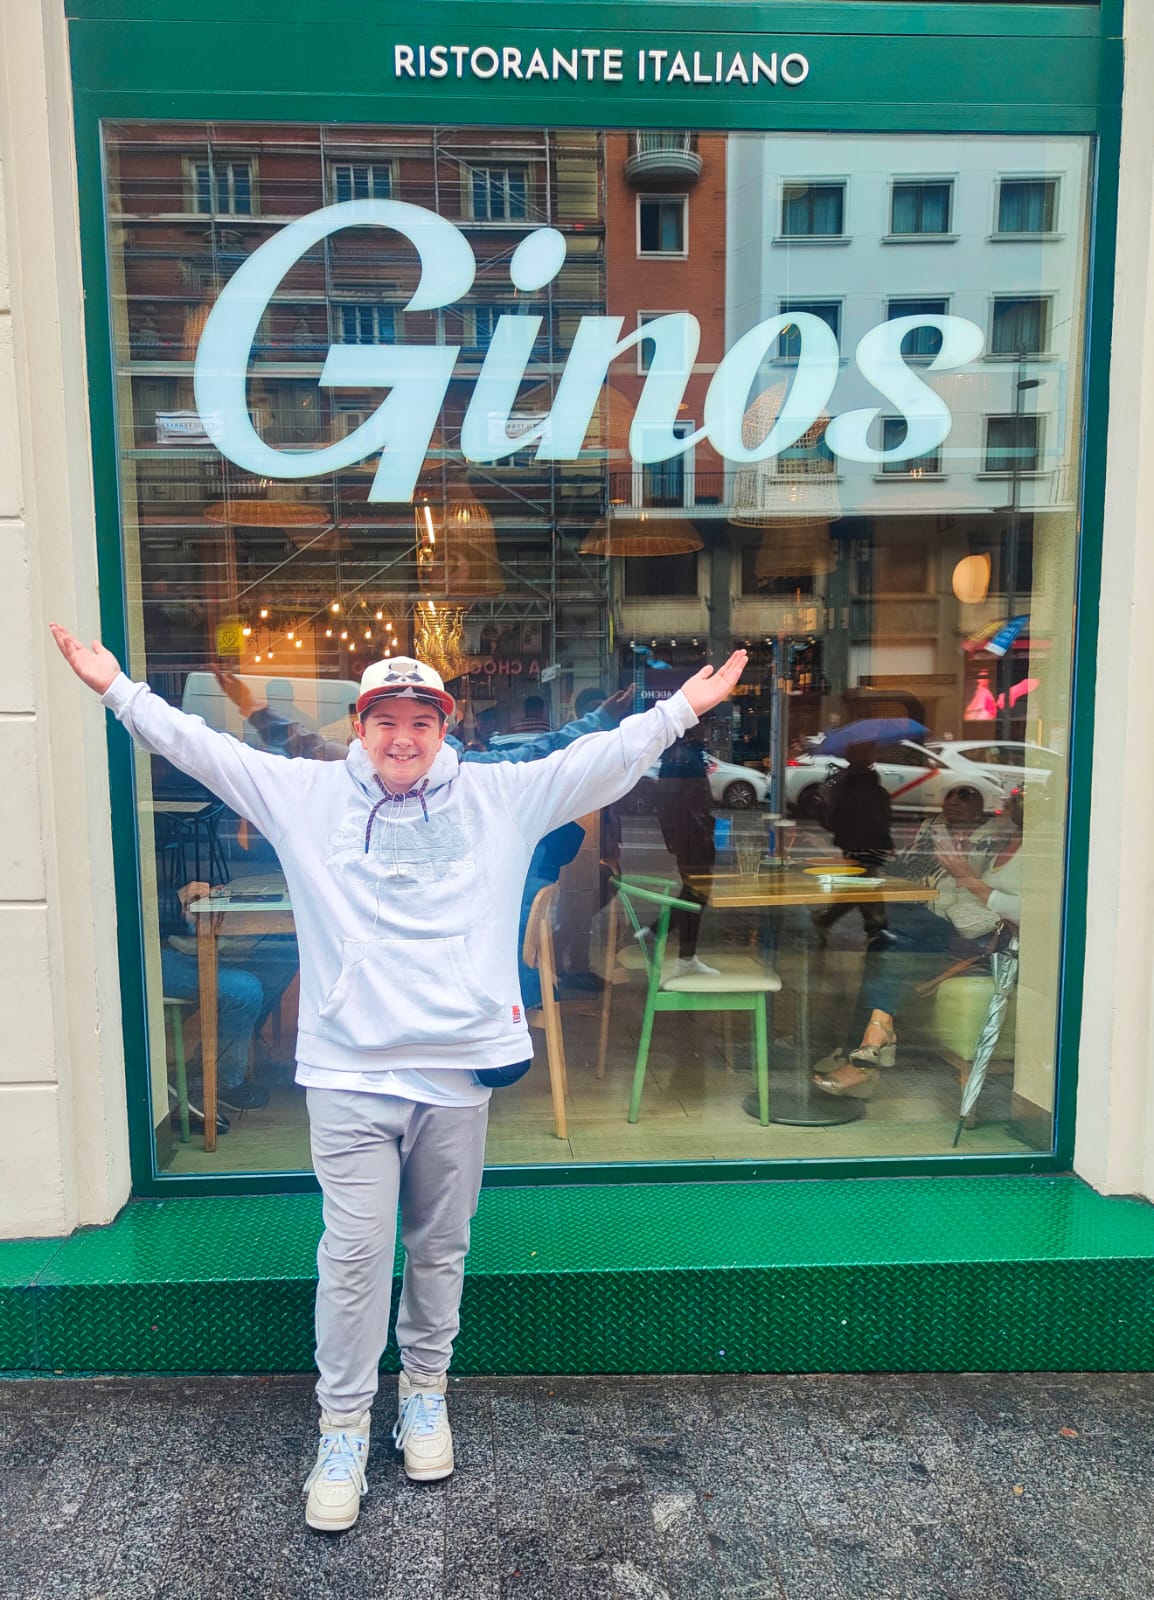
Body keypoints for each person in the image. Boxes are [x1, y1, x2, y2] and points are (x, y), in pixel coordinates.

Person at [51, 624, 746, 1532]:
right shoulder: (306, 794)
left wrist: (682, 708)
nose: (405, 738)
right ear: (360, 726)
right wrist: (119, 691)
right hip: (348, 1070)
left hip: (456, 1067)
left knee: (440, 1246)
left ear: (445, 726)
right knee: (352, 1255)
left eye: (423, 720)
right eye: (387, 720)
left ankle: (425, 1390)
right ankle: (342, 1426)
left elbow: (601, 759)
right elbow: (204, 750)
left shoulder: (497, 796)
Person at [813, 786, 1022, 1100]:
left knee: (891, 932)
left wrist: (966, 876)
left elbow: (1028, 912)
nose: (1006, 802)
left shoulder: (1037, 852)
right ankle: (874, 1037)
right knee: (888, 936)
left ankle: (868, 1048)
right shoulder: (1001, 844)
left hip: (994, 946)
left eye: (1015, 799)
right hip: (962, 927)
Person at [158, 875, 299, 1128]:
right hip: (151, 953)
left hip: (177, 937)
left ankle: (226, 1058)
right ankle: (223, 1082)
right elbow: (131, 908)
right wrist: (172, 899)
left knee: (283, 950)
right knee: (244, 990)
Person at [645, 733, 719, 977]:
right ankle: (683, 955)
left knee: (694, 891)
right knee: (696, 892)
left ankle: (659, 935)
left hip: (690, 835)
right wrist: (702, 832)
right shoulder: (684, 757)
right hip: (692, 837)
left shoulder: (683, 755)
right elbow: (680, 803)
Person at [810, 740, 893, 947]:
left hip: (859, 840)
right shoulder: (858, 780)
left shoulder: (852, 778)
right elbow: (869, 813)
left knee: (867, 884)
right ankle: (873, 926)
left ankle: (874, 926)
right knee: (866, 884)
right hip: (864, 840)